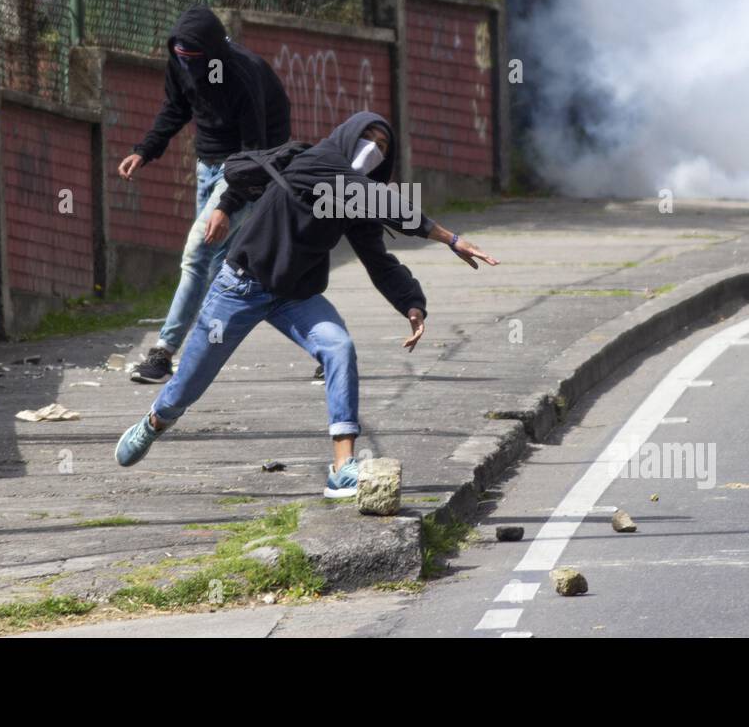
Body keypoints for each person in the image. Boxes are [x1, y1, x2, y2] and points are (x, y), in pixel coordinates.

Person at [115, 111, 499, 498]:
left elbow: (378, 258)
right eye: (368, 137)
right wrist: (450, 239)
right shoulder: (319, 161)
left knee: (338, 348)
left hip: (295, 296)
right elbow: (377, 200)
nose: (373, 149)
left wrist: (412, 303)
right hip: (240, 288)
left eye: (382, 147)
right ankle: (154, 422)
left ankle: (342, 467)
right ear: (348, 134)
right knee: (188, 384)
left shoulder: (355, 197)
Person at [117, 5, 290, 384]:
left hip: (249, 168)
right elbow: (176, 108)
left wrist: (228, 205)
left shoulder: (242, 75)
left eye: (196, 59)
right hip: (207, 166)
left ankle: (163, 353)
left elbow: (255, 153)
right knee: (228, 270)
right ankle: (327, 344)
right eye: (181, 58)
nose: (188, 67)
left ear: (213, 54)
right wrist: (144, 150)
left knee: (198, 253)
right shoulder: (180, 61)